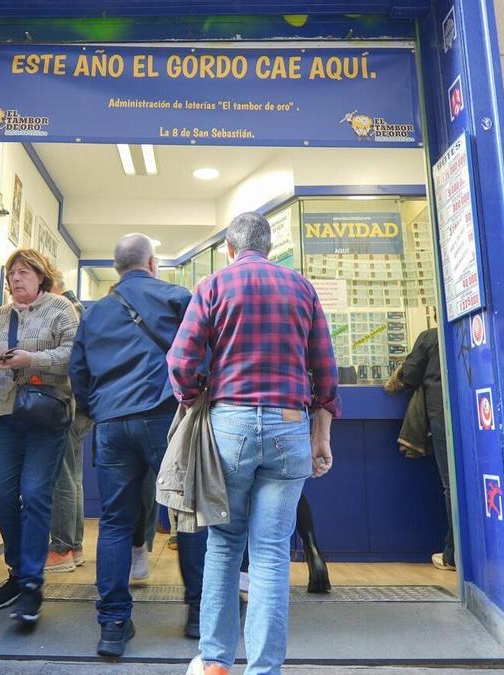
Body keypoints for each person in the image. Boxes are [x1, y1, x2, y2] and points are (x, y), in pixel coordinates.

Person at [170, 212, 340, 675]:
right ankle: (264, 670)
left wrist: (195, 396)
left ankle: (216, 664)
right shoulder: (301, 287)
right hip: (289, 425)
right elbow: (326, 370)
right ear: (270, 248)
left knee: (225, 545)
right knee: (271, 553)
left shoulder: (213, 285)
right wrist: (320, 435)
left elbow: (181, 360)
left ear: (229, 247)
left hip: (230, 427)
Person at [70, 233, 207, 658]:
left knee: (114, 522)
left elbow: (79, 370)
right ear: (152, 263)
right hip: (165, 418)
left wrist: (99, 409)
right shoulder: (177, 298)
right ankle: (199, 613)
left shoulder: (95, 312)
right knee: (185, 515)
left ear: (117, 268)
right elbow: (201, 354)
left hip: (111, 423)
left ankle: (113, 624)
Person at [0, 248, 79, 626]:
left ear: (40, 276)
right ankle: (17, 571)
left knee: (34, 494)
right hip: (6, 415)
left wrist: (31, 360)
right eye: (12, 274)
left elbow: (73, 355)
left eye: (24, 272)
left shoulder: (61, 309)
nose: (16, 279)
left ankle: (32, 583)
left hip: (47, 416)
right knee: (2, 496)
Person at [386, 328, 454, 571]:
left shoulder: (431, 337)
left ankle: (454, 554)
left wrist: (393, 380)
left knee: (451, 484)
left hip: (440, 415)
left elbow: (409, 375)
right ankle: (458, 551)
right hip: (474, 413)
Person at [46, 269, 91, 574]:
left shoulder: (64, 312)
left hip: (67, 402)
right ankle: (73, 547)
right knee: (73, 477)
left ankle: (61, 549)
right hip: (85, 406)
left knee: (62, 476)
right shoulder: (81, 311)